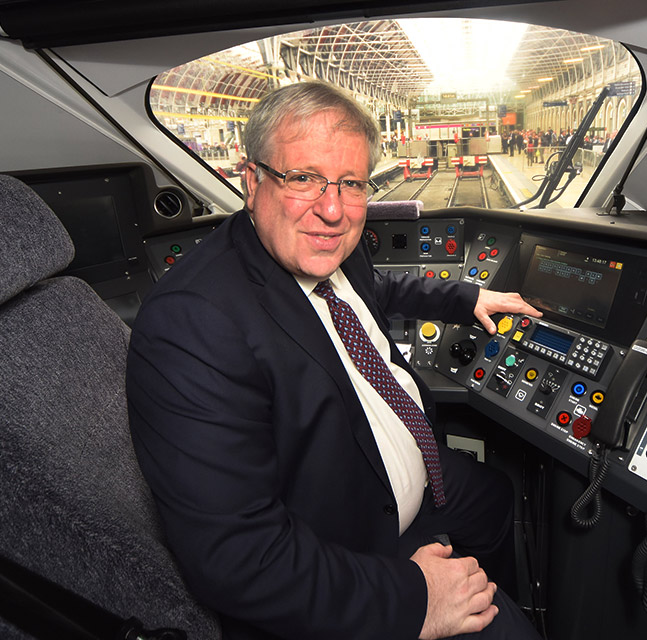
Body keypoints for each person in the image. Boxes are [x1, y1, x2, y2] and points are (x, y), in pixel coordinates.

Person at [126, 81, 543, 640]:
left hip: (416, 473)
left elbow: (378, 290)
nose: (332, 210)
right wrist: (417, 600)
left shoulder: (328, 249)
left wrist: (464, 297)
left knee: (496, 497)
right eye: (302, 179)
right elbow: (240, 558)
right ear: (253, 183)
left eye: (351, 184)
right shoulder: (194, 324)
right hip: (349, 540)